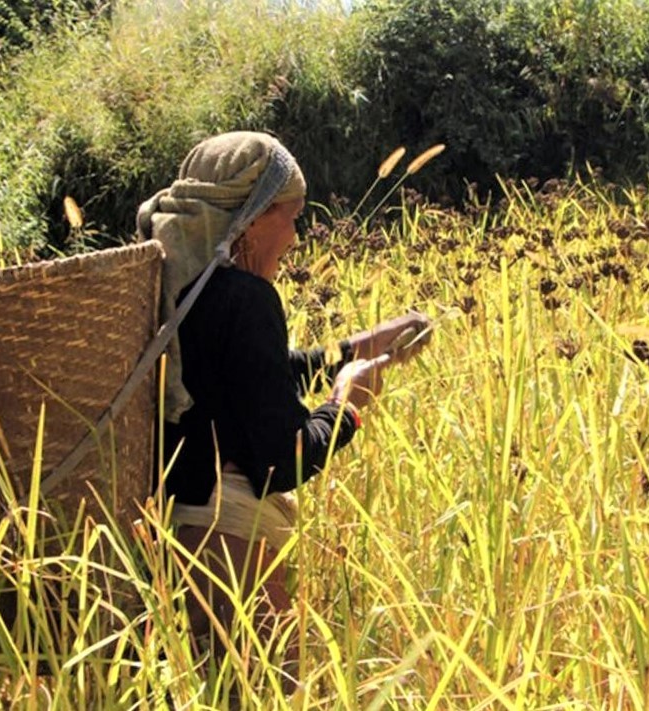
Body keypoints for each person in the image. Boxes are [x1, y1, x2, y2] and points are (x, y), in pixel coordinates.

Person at [136, 131, 429, 690]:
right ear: (249, 218)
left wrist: (357, 348)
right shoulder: (245, 301)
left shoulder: (170, 287)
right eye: (291, 217)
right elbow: (283, 459)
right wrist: (347, 404)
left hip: (176, 532)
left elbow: (251, 377)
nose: (296, 237)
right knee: (270, 693)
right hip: (233, 544)